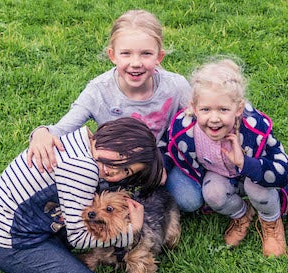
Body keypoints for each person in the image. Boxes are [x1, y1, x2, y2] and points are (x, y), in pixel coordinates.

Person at [0, 117, 163, 273]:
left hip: (34, 228)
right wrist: (132, 232)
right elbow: (78, 239)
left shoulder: (80, 140)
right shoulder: (83, 168)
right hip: (13, 247)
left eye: (126, 170)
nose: (115, 169)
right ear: (112, 133)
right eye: (121, 154)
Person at [27, 9, 191, 178]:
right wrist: (41, 133)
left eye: (146, 54)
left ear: (159, 57)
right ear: (112, 55)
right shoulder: (98, 90)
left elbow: (198, 121)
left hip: (158, 160)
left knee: (187, 199)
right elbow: (64, 128)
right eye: (126, 53)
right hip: (111, 167)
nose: (135, 63)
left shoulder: (176, 86)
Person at [160, 59, 288, 257]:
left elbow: (282, 170)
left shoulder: (254, 130)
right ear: (194, 108)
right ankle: (242, 214)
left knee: (256, 189)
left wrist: (245, 163)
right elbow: (168, 146)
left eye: (223, 110)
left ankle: (271, 221)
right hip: (221, 174)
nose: (214, 118)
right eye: (205, 110)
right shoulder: (183, 129)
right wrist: (159, 168)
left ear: (238, 109)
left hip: (256, 177)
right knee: (213, 193)